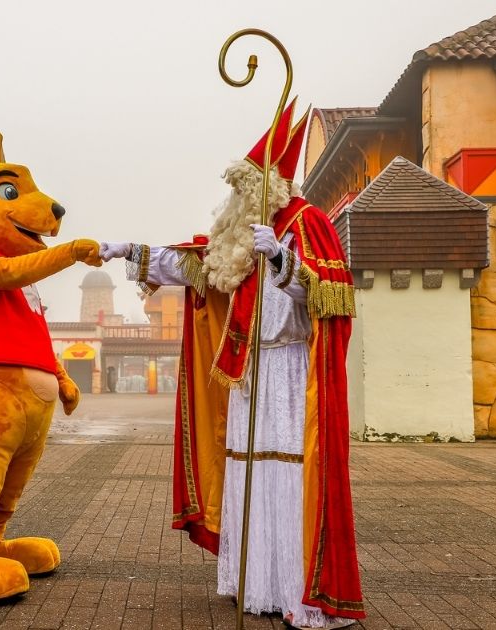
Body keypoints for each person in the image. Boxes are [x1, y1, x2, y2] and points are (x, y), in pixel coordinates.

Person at [100, 101, 364, 628]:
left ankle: (300, 593)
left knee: (288, 472)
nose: (237, 200)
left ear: (270, 186)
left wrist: (283, 259)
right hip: (248, 376)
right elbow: (193, 264)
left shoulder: (306, 224)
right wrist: (130, 250)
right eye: (236, 192)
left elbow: (332, 295)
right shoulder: (239, 235)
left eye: (245, 189)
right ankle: (257, 585)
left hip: (291, 372)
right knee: (249, 470)